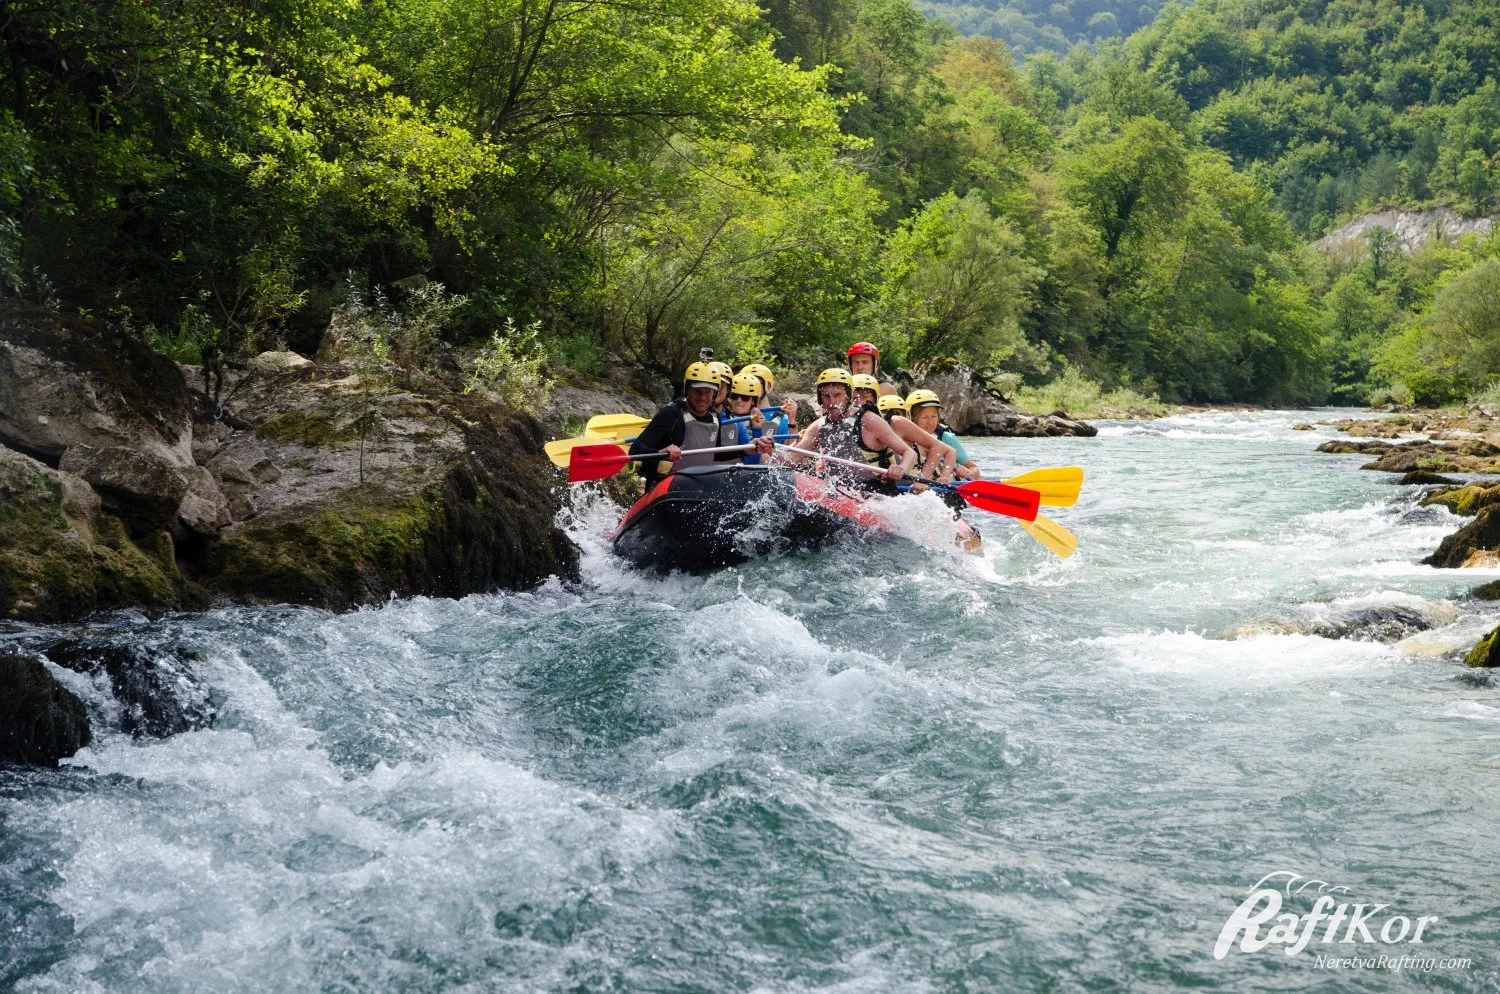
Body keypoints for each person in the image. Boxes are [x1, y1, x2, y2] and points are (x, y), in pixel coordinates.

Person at [631, 362, 771, 489]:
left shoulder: (714, 418)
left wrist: (748, 449)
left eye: (707, 392)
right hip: (665, 488)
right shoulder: (671, 414)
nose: (702, 397)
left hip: (696, 487)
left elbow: (715, 454)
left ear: (714, 393)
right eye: (697, 391)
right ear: (688, 390)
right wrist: (661, 452)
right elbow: (635, 450)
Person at [777, 368, 915, 488]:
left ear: (848, 396)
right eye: (826, 396)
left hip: (877, 492)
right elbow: (791, 459)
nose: (832, 402)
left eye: (837, 395)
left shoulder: (869, 421)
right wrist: (771, 450)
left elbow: (910, 453)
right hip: (840, 492)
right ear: (820, 398)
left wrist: (901, 468)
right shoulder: (818, 426)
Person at [904, 389, 980, 479]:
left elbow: (974, 469)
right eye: (925, 417)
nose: (930, 422)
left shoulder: (947, 438)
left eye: (934, 416)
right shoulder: (902, 439)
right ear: (911, 418)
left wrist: (967, 473)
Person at [738, 362, 798, 429]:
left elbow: (792, 436)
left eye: (756, 383)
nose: (750, 387)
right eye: (745, 384)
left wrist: (792, 421)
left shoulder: (781, 419)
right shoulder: (734, 416)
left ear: (768, 386)